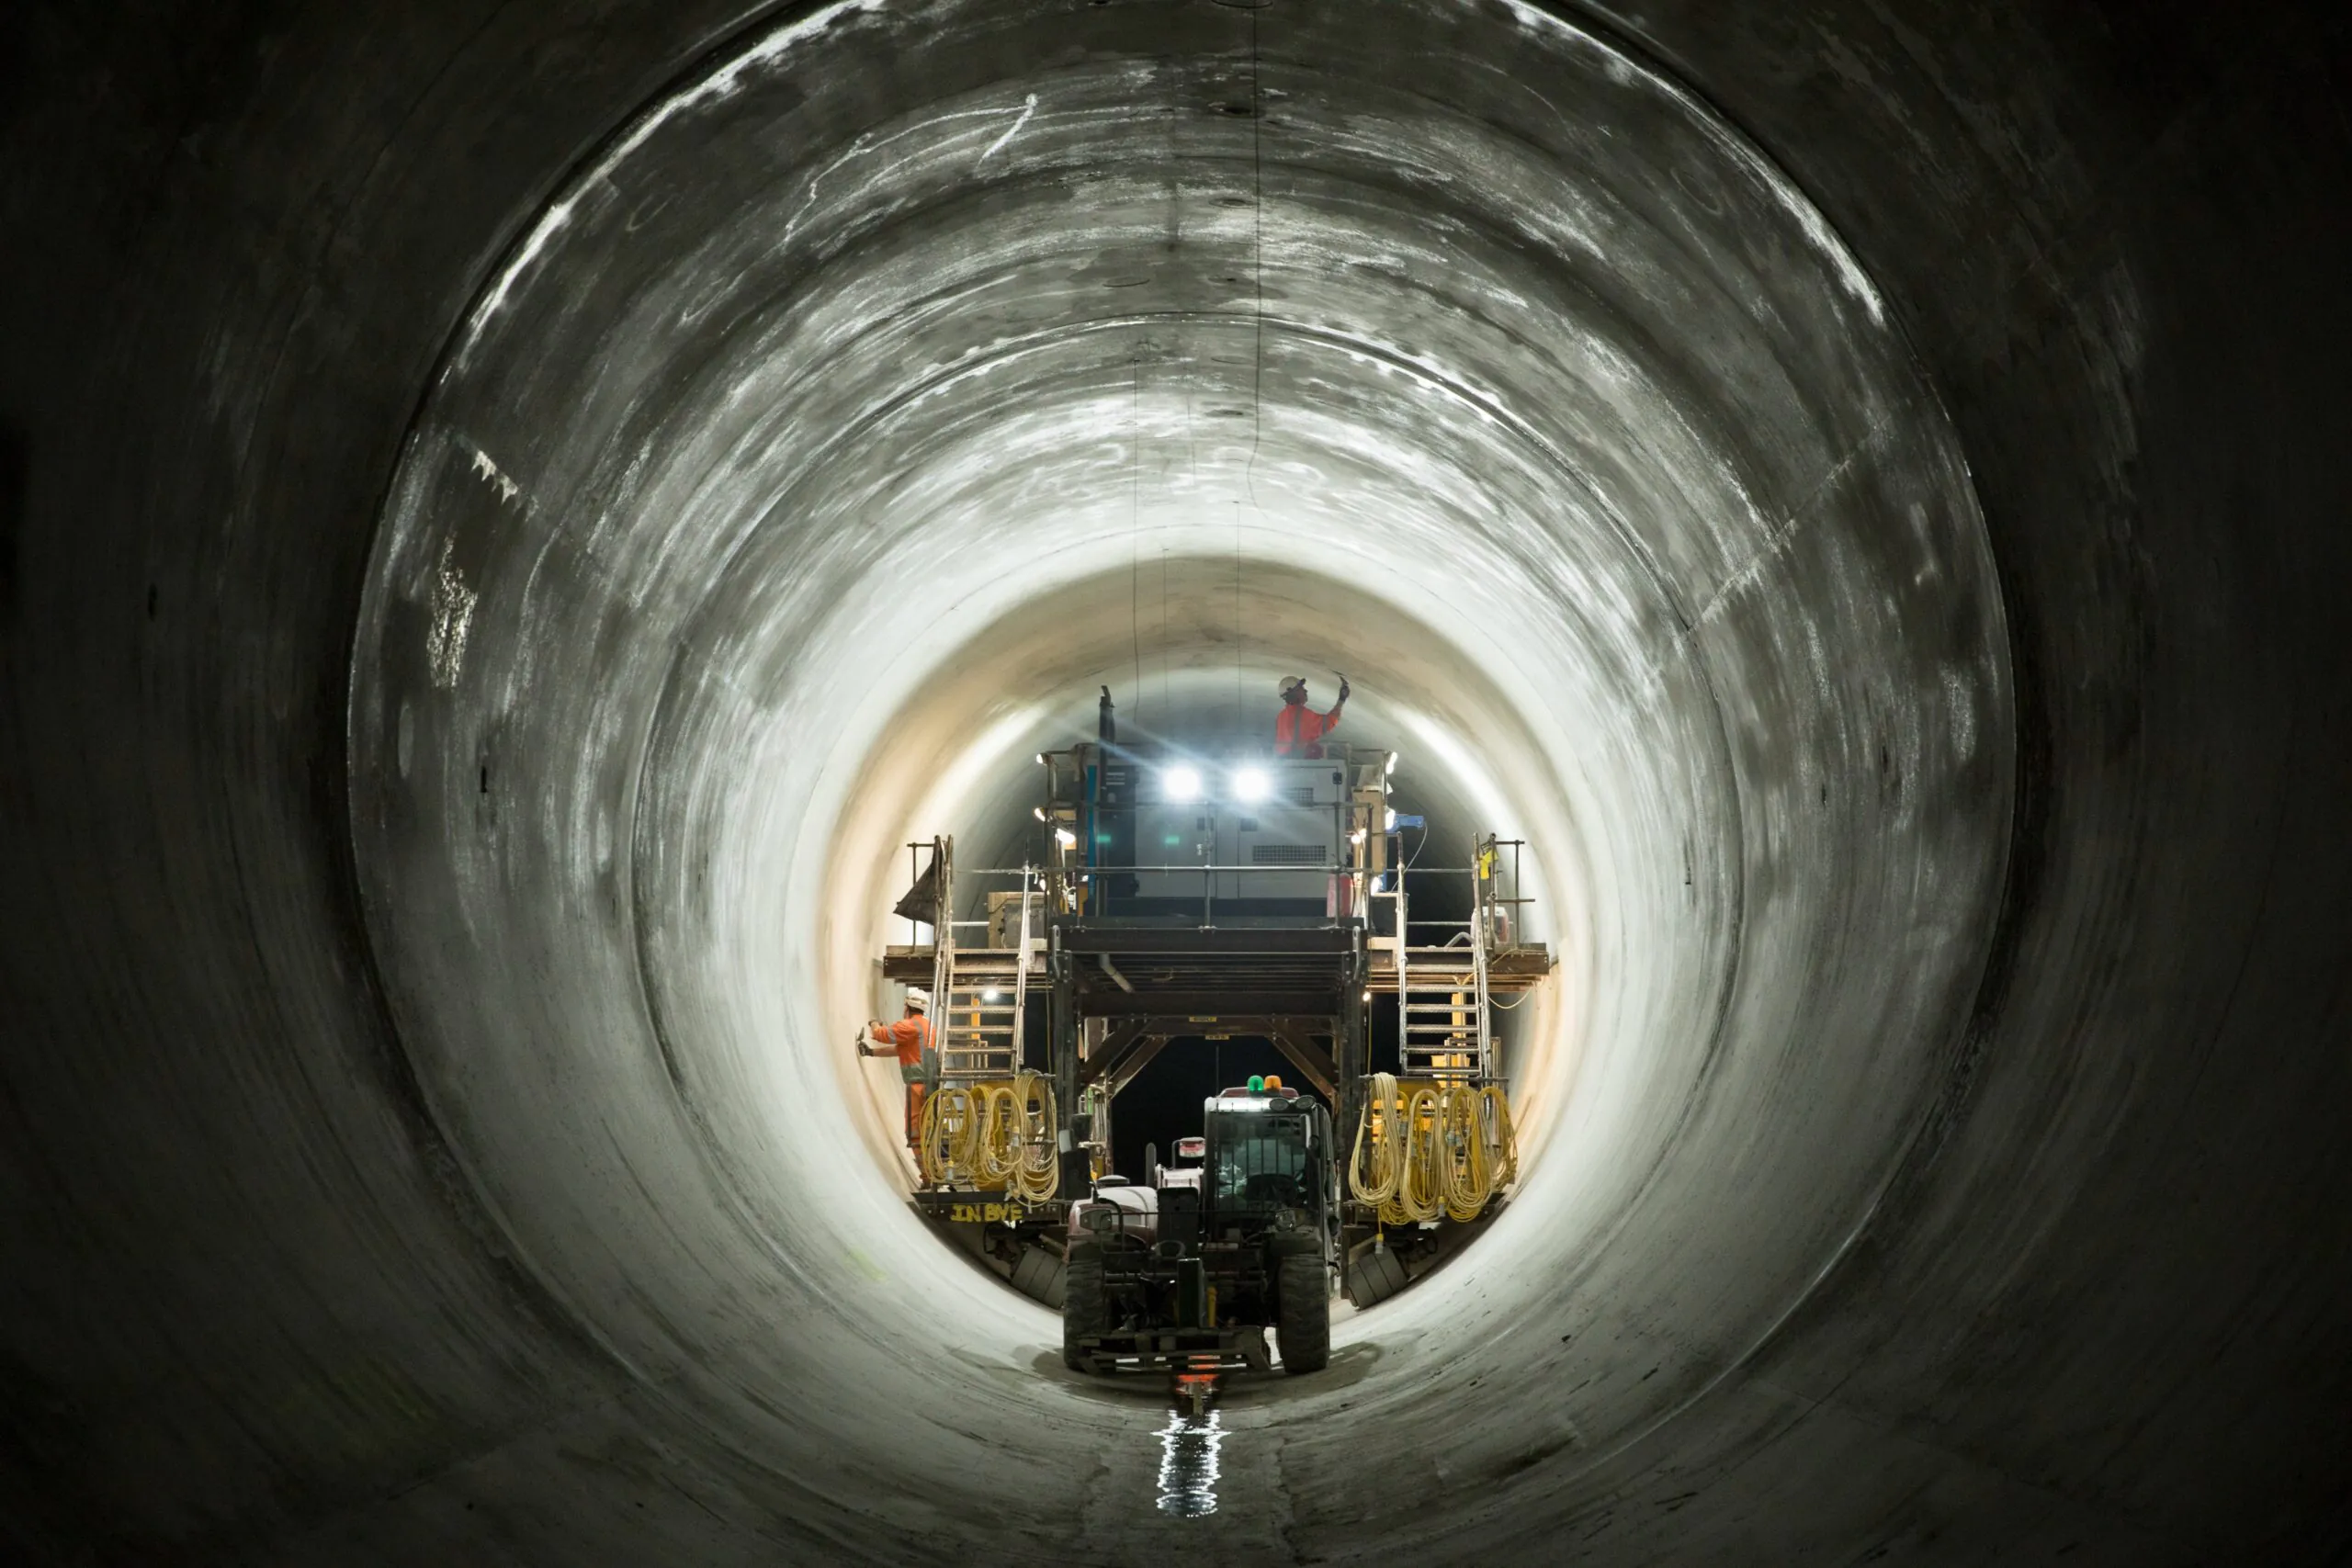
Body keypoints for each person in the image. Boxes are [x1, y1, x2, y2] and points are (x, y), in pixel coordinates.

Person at [858, 988, 933, 1151]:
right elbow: (900, 1050)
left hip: (917, 1085)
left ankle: (926, 1174)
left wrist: (874, 1023)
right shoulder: (927, 1027)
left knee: (915, 1131)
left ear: (907, 1006)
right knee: (924, 1126)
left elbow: (881, 1035)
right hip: (929, 1084)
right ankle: (929, 1167)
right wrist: (871, 1052)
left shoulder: (910, 1026)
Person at [1274, 673, 1349, 758]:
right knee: (1316, 749)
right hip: (1300, 760)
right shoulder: (1301, 714)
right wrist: (1341, 699)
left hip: (1282, 762)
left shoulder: (1281, 716)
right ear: (1295, 693)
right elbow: (1329, 722)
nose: (1305, 691)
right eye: (1301, 688)